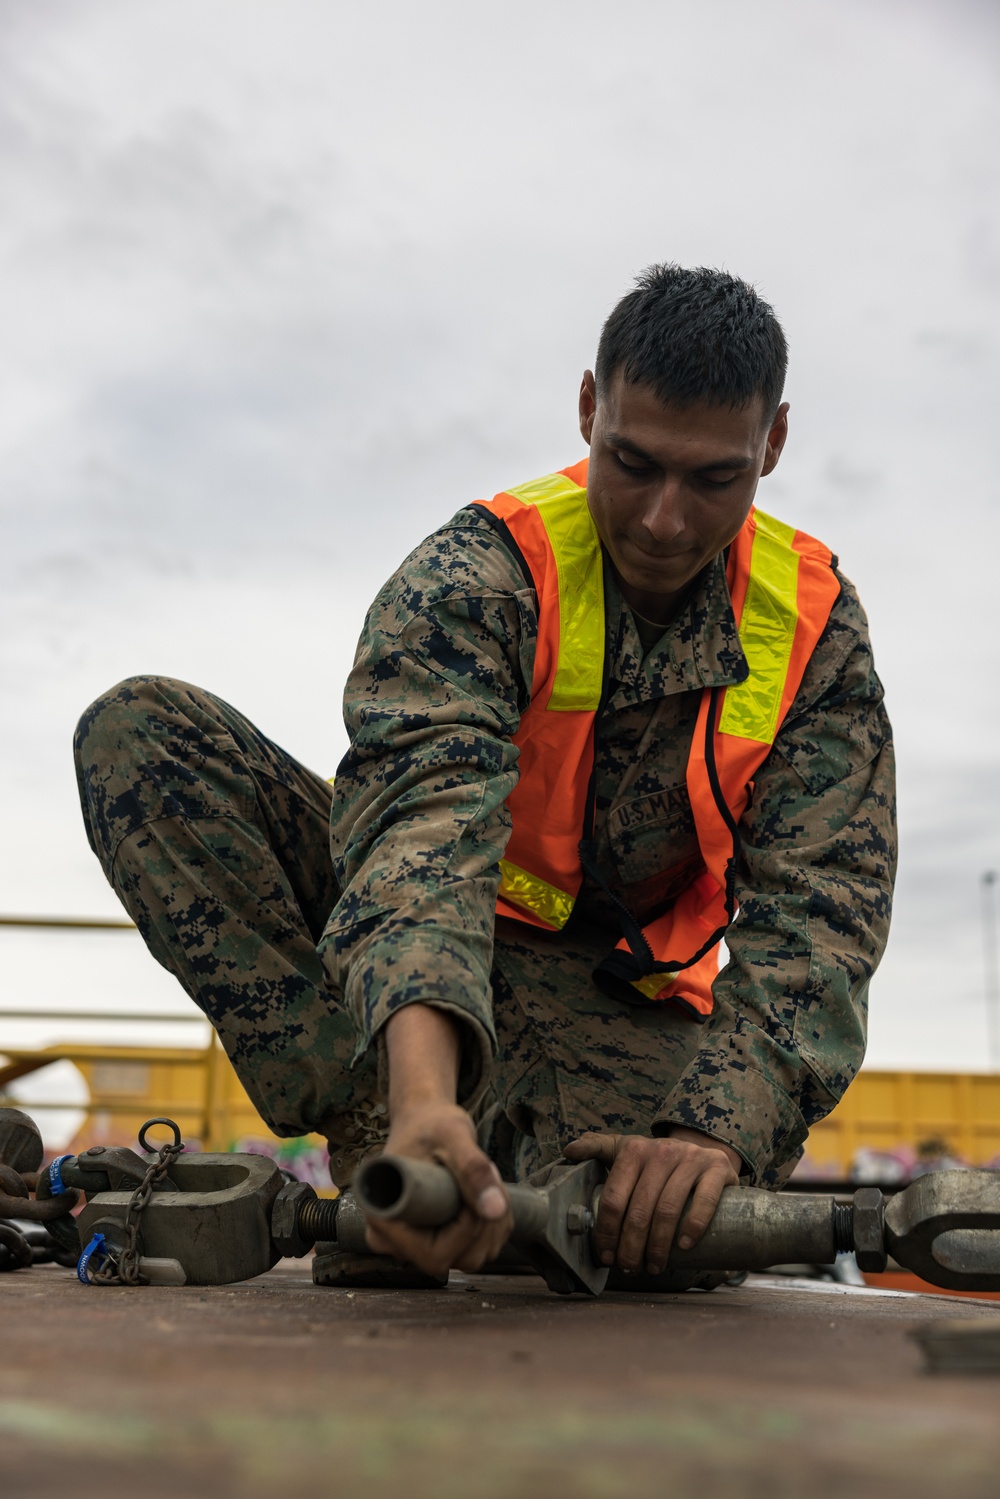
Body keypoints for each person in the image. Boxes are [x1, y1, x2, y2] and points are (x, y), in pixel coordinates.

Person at [74, 265, 896, 1284]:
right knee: (142, 735)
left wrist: (712, 1133)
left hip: (617, 994)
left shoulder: (812, 625)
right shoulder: (482, 574)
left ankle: (486, 1163)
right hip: (420, 956)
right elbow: (423, 834)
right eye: (632, 464)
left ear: (770, 443)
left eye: (714, 479)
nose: (663, 521)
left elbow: (819, 910)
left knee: (621, 1229)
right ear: (589, 408)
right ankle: (392, 1145)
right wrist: (418, 1107)